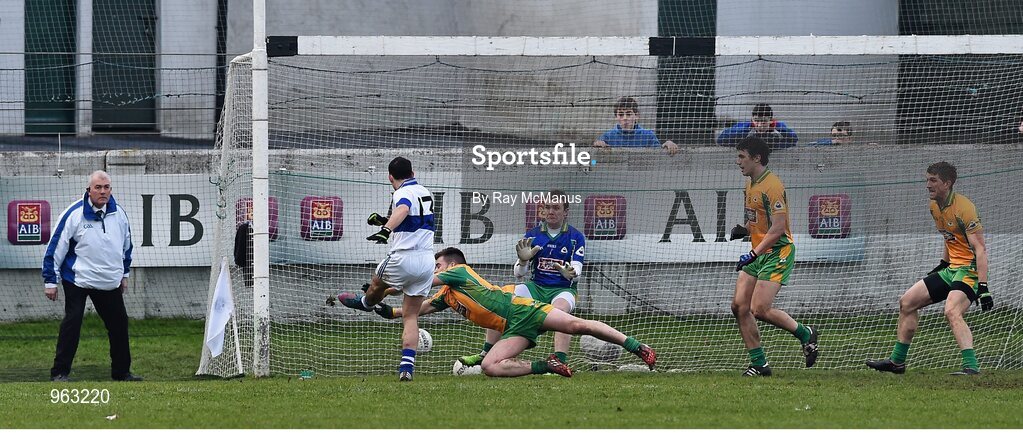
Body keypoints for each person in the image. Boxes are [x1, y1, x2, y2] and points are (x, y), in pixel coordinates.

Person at [362, 247, 655, 378]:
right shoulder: (446, 296)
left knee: (576, 326)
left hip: (523, 311)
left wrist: (382, 288)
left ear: (450, 265)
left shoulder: (460, 272)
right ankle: (547, 366)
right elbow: (413, 310)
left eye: (437, 265)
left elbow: (420, 282)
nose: (433, 269)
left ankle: (637, 347)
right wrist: (378, 307)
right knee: (490, 367)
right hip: (514, 330)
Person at [867, 162, 991, 375]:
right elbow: (949, 236)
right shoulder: (934, 206)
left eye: (933, 180)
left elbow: (980, 249)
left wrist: (984, 286)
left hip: (968, 271)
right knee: (907, 302)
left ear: (947, 183)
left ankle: (971, 367)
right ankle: (897, 362)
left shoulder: (965, 208)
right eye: (927, 179)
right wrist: (944, 263)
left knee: (952, 311)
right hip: (951, 269)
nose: (928, 185)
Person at [457, 189, 586, 368]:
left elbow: (577, 270)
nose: (551, 211)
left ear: (566, 212)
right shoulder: (533, 235)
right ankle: (485, 353)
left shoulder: (575, 237)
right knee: (500, 300)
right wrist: (523, 260)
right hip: (536, 286)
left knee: (561, 312)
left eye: (556, 208)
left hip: (563, 290)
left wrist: (571, 273)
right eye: (547, 207)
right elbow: (518, 273)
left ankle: (559, 362)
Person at [334, 156, 436, 381]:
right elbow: (412, 221)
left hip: (403, 258)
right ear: (413, 172)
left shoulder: (401, 193)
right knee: (410, 316)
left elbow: (403, 209)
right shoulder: (425, 191)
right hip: (427, 261)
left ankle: (365, 303)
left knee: (376, 284)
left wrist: (386, 229)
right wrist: (383, 220)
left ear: (390, 177)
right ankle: (406, 368)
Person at [729, 136, 818, 377]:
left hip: (778, 251)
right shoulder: (750, 183)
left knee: (759, 308)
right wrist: (744, 229)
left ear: (757, 158)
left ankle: (805, 333)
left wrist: (753, 252)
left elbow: (778, 228)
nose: (737, 162)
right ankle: (760, 364)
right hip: (759, 252)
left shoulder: (773, 186)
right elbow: (757, 221)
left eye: (741, 157)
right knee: (739, 306)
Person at [43, 170, 140, 382]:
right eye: (98, 187)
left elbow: (126, 247)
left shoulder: (119, 214)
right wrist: (51, 281)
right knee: (73, 322)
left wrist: (123, 274)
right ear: (89, 190)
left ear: (111, 190)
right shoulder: (73, 214)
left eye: (106, 187)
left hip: (109, 282)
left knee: (119, 325)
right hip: (77, 280)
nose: (102, 192)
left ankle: (122, 373)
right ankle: (59, 373)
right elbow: (55, 248)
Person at [593, 96, 679, 155]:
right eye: (621, 114)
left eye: (629, 114)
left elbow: (658, 155)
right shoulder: (607, 136)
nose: (625, 118)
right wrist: (598, 144)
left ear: (636, 115)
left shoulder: (648, 136)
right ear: (616, 117)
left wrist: (668, 144)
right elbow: (595, 158)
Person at [717, 103, 798, 149]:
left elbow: (794, 139)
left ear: (770, 120)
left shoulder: (778, 128)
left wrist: (776, 125)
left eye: (763, 121)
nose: (759, 125)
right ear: (752, 119)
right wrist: (748, 126)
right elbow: (721, 140)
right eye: (756, 121)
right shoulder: (745, 127)